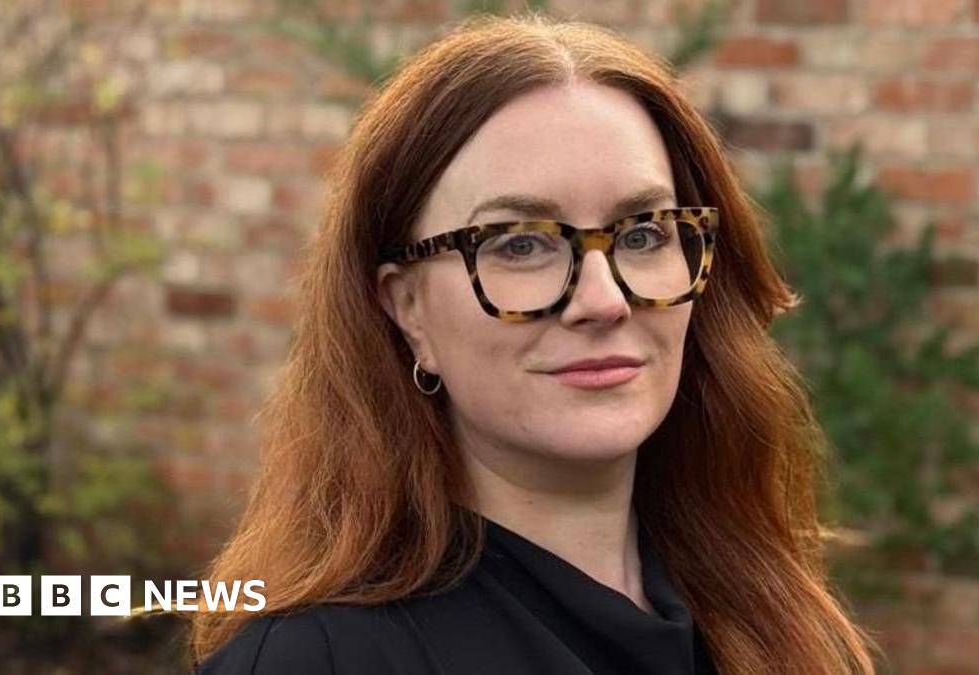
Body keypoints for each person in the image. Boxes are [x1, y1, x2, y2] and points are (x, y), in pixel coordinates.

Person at [190, 11, 878, 675]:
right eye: (520, 244)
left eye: (643, 233)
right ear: (407, 310)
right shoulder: (318, 658)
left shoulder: (762, 612)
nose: (604, 300)